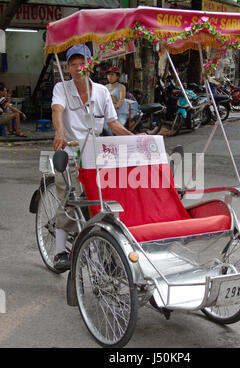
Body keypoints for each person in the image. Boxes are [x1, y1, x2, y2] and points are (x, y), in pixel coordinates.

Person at [52, 44, 135, 271]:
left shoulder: (101, 92)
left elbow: (113, 124)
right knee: (68, 197)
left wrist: (134, 139)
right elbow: (57, 111)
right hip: (69, 149)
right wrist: (59, 133)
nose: (79, 69)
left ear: (91, 66)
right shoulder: (62, 88)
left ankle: (103, 246)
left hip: (95, 153)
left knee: (105, 200)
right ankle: (60, 250)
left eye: (83, 64)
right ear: (68, 67)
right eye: (74, 64)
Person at [105, 66, 129, 134]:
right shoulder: (105, 87)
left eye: (112, 75)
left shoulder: (121, 87)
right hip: (109, 112)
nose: (110, 77)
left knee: (118, 129)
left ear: (117, 77)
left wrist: (116, 106)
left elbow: (121, 100)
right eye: (108, 75)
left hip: (120, 112)